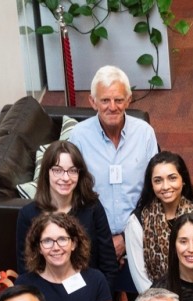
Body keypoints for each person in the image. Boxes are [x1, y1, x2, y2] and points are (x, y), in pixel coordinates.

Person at [69, 64, 159, 282]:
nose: (112, 107)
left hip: (139, 235)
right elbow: (73, 193)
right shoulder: (78, 137)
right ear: (92, 102)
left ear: (128, 100)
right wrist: (105, 240)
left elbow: (154, 189)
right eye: (105, 100)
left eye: (119, 100)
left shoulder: (145, 134)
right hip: (92, 240)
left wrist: (127, 239)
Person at [14, 140, 119, 296]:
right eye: (57, 170)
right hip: (47, 299)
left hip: (90, 294)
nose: (66, 177)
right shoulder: (29, 214)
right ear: (46, 172)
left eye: (72, 170)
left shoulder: (92, 207)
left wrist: (104, 300)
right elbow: (25, 270)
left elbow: (108, 264)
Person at [126, 151, 193, 294]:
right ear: (151, 184)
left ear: (183, 180)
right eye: (158, 180)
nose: (165, 186)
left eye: (172, 178)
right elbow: (141, 279)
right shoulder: (137, 222)